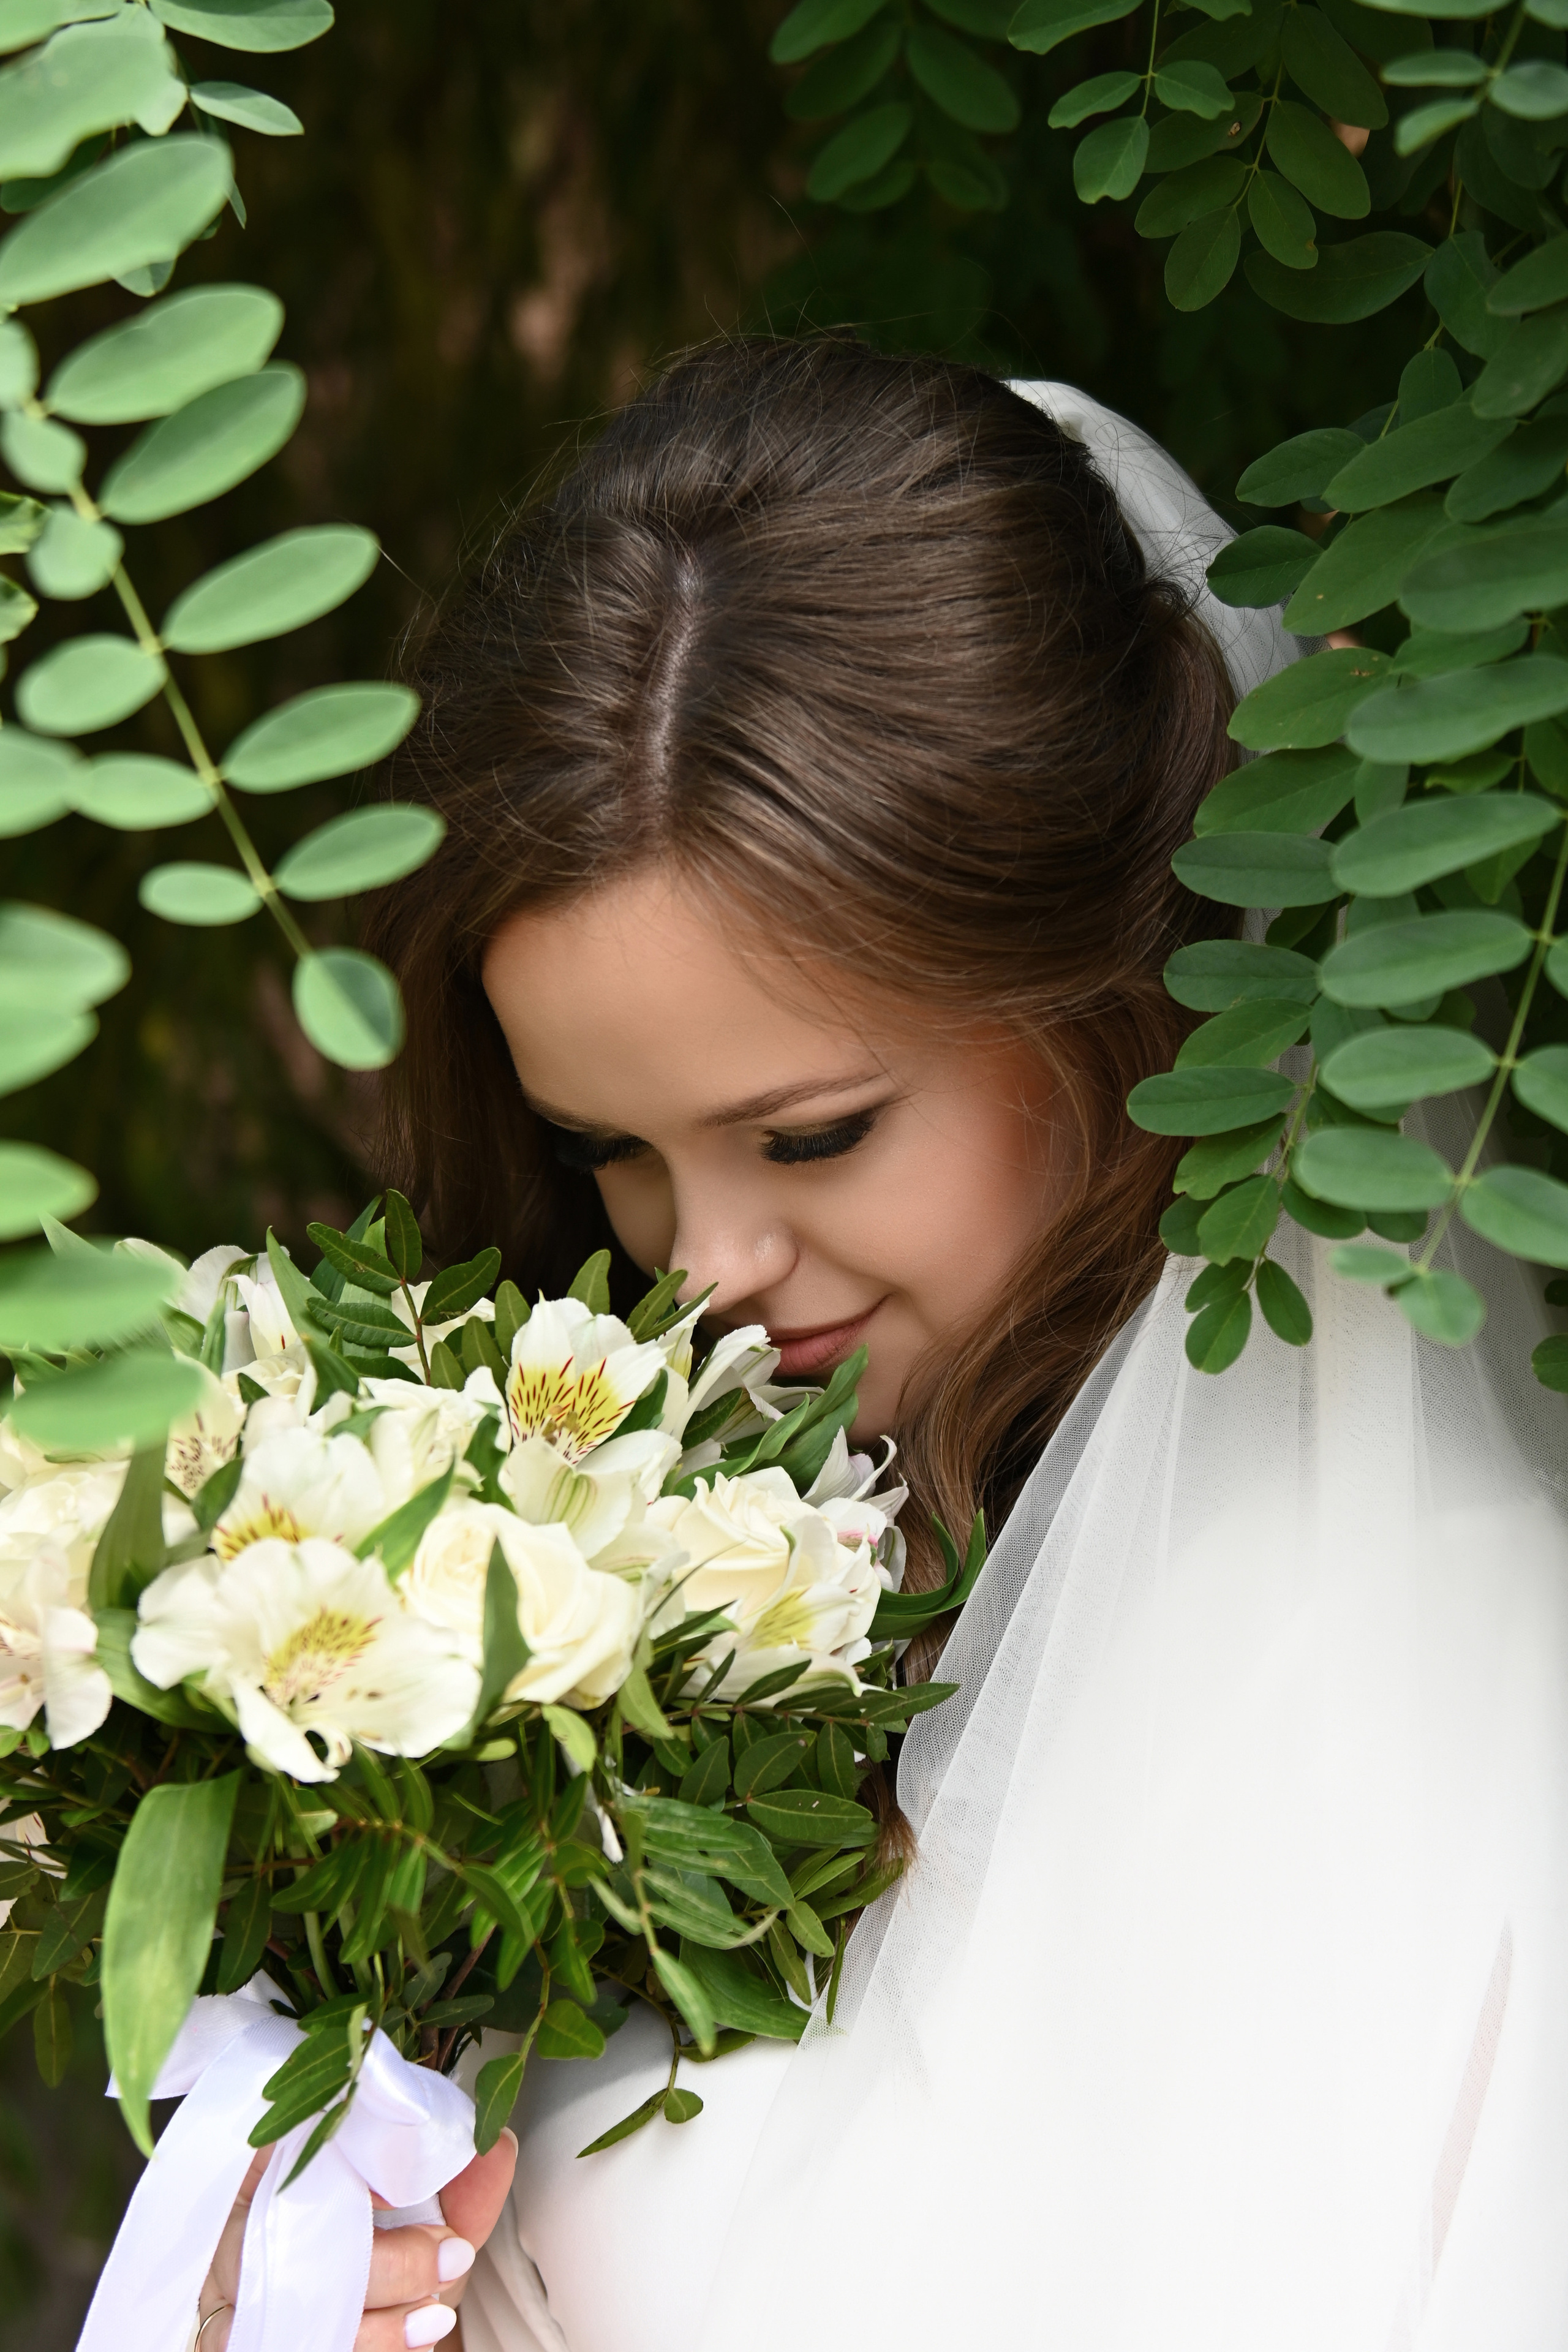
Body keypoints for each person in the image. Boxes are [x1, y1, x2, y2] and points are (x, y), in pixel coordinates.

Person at [199, 341, 1568, 2352]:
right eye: (611, 1152)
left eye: (816, 1131)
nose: (707, 1268)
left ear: (1132, 991)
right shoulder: (574, 1636)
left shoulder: (1470, 1709)